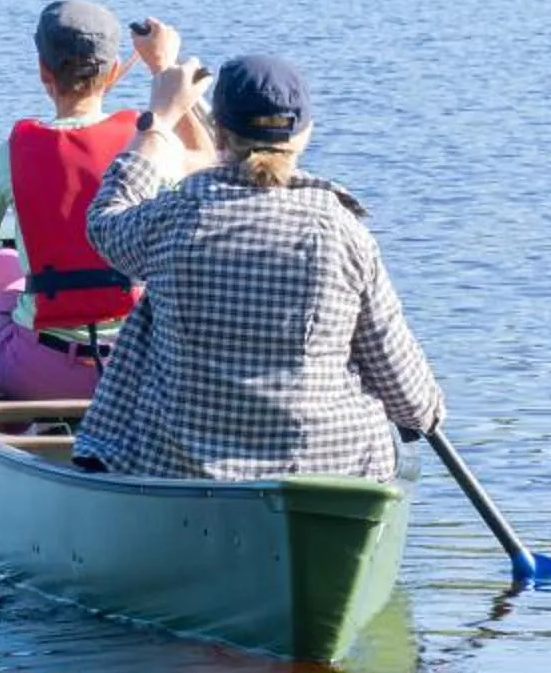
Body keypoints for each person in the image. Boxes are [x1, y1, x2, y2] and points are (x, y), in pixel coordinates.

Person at [74, 53, 444, 481]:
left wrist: (158, 121)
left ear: (219, 134)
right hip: (331, 476)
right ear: (304, 134)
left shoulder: (174, 218)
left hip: (183, 472)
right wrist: (427, 412)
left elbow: (104, 222)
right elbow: (410, 402)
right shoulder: (343, 233)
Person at [0, 0, 192, 399]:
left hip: (40, 373)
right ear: (116, 71)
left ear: (42, 73)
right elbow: (211, 159)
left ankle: (17, 430)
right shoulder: (148, 144)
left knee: (0, 267)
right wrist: (164, 68)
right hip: (138, 368)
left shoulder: (18, 151)